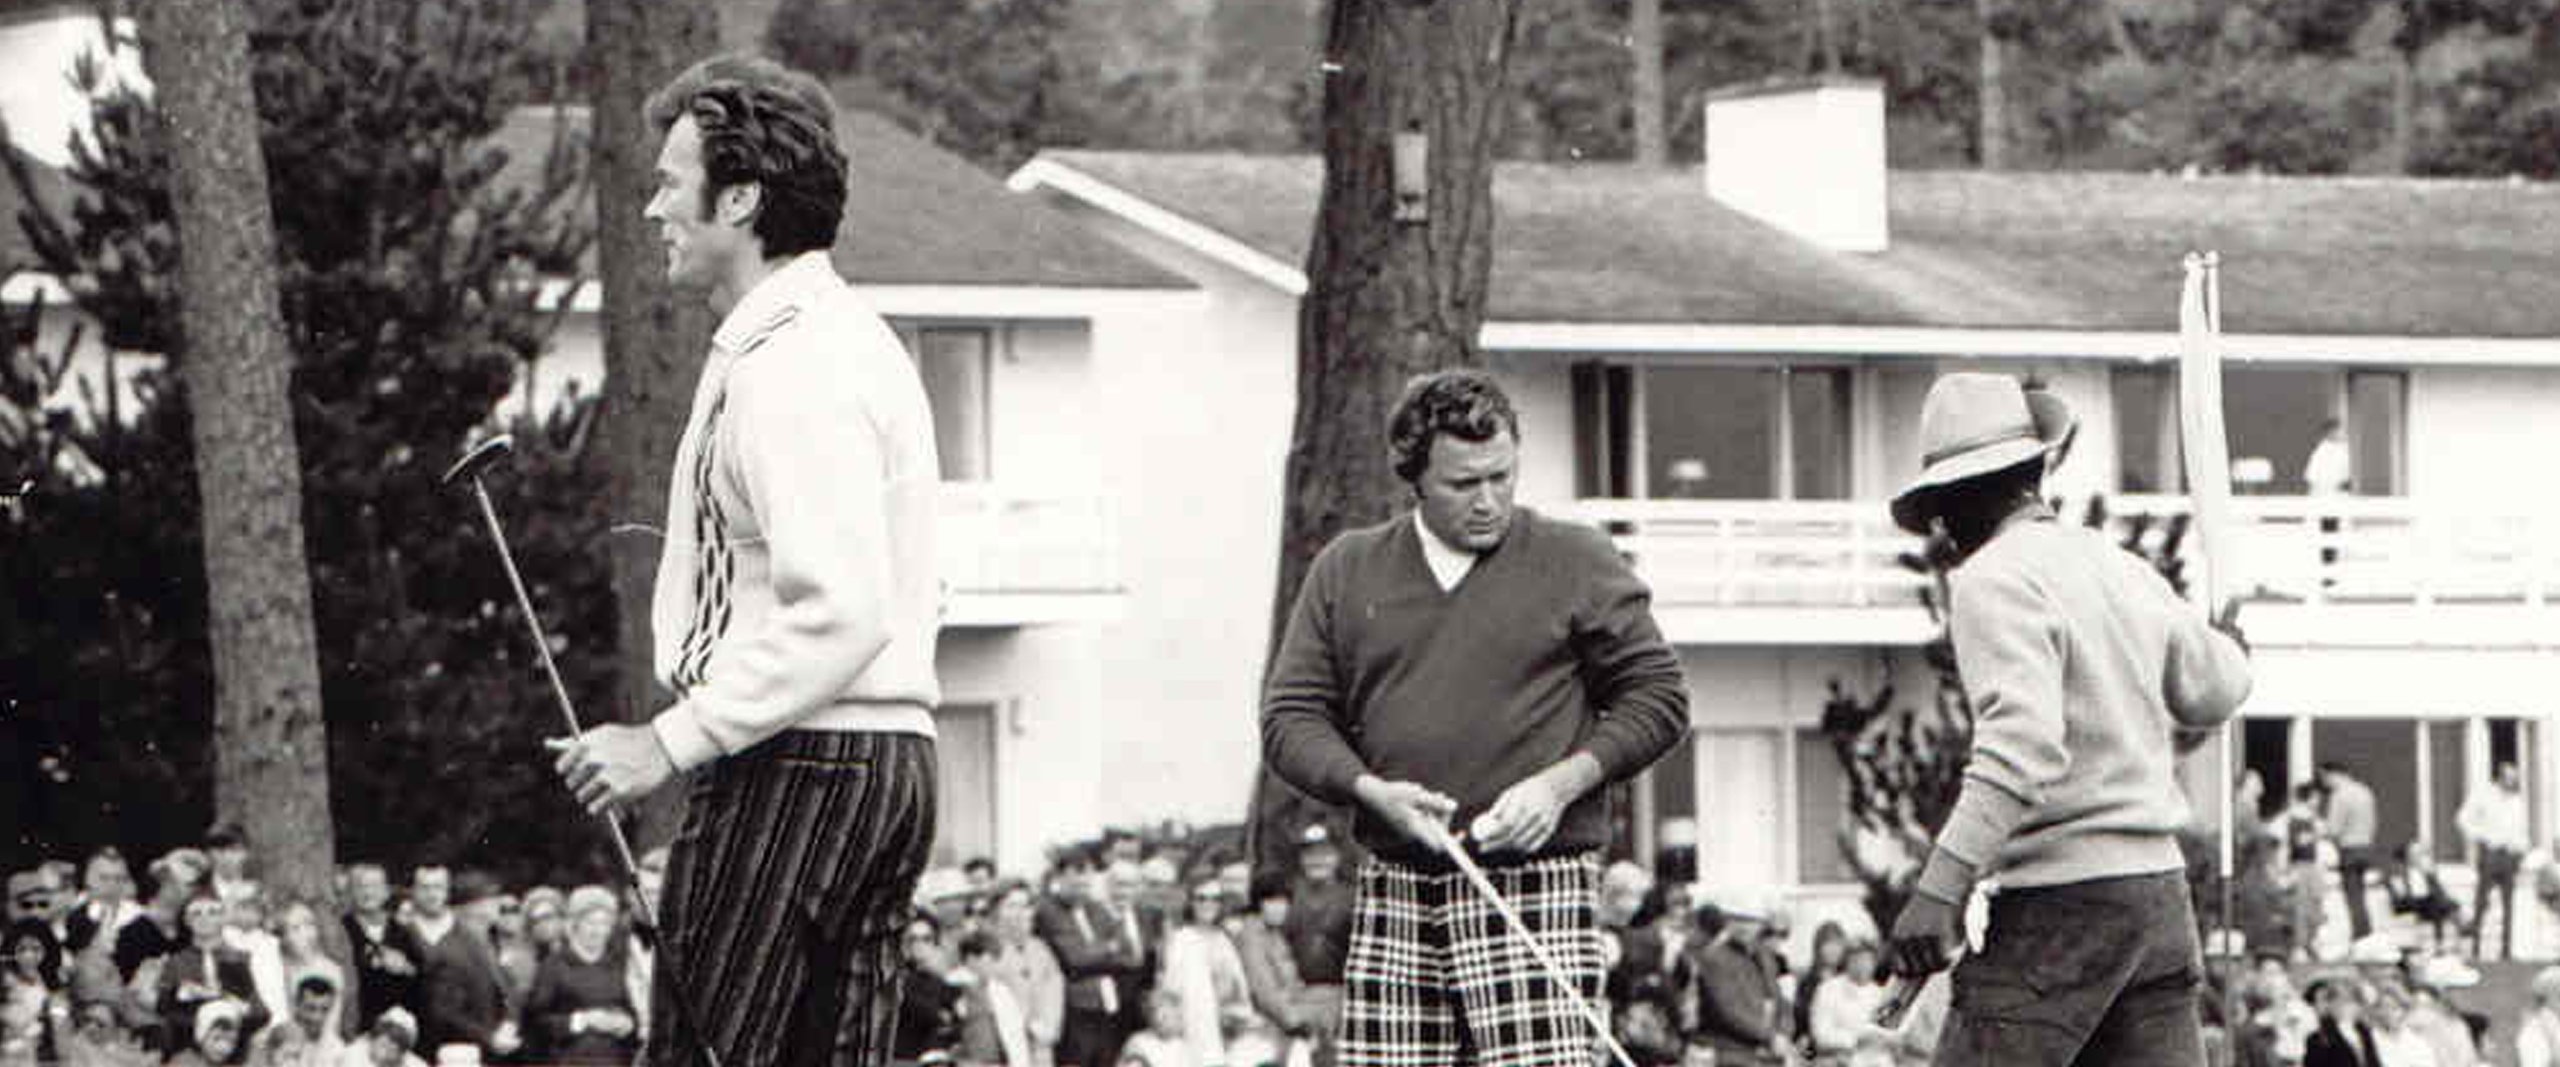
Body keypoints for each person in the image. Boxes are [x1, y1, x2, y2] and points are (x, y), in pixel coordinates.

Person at [545, 52, 944, 1067]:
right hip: (881, 760)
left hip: (799, 762)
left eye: (672, 183)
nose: (651, 209)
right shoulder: (842, 339)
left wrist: (668, 740)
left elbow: (844, 609)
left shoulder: (792, 365)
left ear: (741, 198)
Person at [1261, 368, 1690, 1067]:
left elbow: (1659, 697)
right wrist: (1370, 790)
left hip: (1536, 881)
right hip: (1397, 877)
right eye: (1464, 484)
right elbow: (1291, 717)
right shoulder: (1349, 568)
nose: (1489, 500)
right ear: (1414, 477)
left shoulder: (1576, 557)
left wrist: (1560, 785)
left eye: (1503, 476)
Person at [1879, 372, 2253, 1066]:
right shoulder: (2119, 564)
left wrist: (1939, 890)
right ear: (2034, 469)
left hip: (2062, 904)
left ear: (1962, 495)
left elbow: (2021, 746)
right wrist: (2232, 642)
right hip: (2158, 898)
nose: (1939, 530)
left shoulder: (1991, 579)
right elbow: (2215, 688)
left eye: (1940, 507)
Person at [1154, 881, 1270, 1067]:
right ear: (1191, 902)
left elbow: (1239, 988)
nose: (1208, 904)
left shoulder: (1224, 938)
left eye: (1215, 899)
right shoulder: (1182, 940)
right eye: (1201, 898)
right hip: (1196, 1035)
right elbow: (1171, 992)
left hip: (1232, 1030)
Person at [521, 886, 639, 1066]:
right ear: (575, 923)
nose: (598, 930)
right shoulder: (554, 965)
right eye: (590, 922)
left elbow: (632, 1013)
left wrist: (626, 1024)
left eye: (604, 923)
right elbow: (534, 1022)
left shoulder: (616, 964)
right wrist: (583, 1020)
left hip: (614, 1059)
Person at [984, 883, 1063, 1067]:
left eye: (1025, 906)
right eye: (1011, 906)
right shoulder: (986, 948)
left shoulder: (1041, 949)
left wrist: (1047, 1026)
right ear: (996, 911)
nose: (1019, 913)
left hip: (1040, 1044)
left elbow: (1054, 988)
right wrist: (1025, 1023)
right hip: (1003, 1044)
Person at [2457, 761, 2529, 960]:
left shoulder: (2516, 802)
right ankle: (2475, 947)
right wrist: (2482, 836)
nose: (2511, 782)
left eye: (2514, 779)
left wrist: (2521, 850)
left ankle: (2505, 949)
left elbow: (2521, 830)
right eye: (2508, 778)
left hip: (2509, 855)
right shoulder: (2484, 796)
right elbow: (2463, 819)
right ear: (2499, 778)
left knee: (2508, 904)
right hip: (2490, 853)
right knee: (2482, 901)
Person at [341, 864, 422, 1032]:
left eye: (375, 886)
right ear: (350, 892)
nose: (368, 892)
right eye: (361, 886)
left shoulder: (403, 932)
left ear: (386, 891)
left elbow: (421, 975)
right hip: (356, 1024)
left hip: (397, 1027)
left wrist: (404, 967)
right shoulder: (342, 930)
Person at [2322, 763, 2380, 946]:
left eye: (2325, 778)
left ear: (2334, 775)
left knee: (2353, 895)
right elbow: (2372, 822)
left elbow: (2334, 828)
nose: (2325, 783)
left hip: (2349, 848)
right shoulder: (2365, 792)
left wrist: (2320, 831)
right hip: (2365, 846)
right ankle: (2365, 932)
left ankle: (2361, 935)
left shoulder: (2340, 796)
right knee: (2361, 894)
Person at [2303, 419, 2349, 591]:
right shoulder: (2321, 452)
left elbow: (2345, 477)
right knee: (2327, 536)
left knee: (2332, 535)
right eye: (2338, 431)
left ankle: (2331, 575)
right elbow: (2312, 478)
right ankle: (2327, 576)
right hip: (2325, 499)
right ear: (2330, 432)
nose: (2341, 434)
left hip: (2335, 498)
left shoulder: (2340, 451)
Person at [2300, 974, 2376, 1067]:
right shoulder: (2318, 1039)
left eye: (2351, 1000)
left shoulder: (2365, 1031)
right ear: (2331, 1005)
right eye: (2341, 1000)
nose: (2347, 1006)